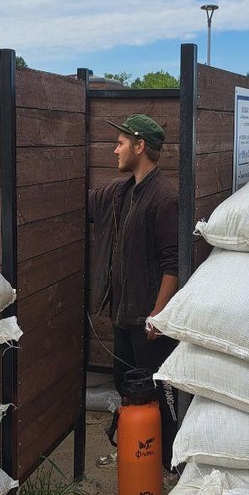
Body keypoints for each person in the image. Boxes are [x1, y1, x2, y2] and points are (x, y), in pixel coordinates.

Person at [88, 113, 179, 470]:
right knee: (127, 389)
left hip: (149, 324)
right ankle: (135, 452)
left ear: (140, 147)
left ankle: (167, 464)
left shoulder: (164, 197)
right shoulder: (120, 193)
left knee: (159, 395)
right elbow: (88, 201)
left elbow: (173, 264)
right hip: (124, 318)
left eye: (122, 143)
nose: (115, 150)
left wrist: (157, 315)